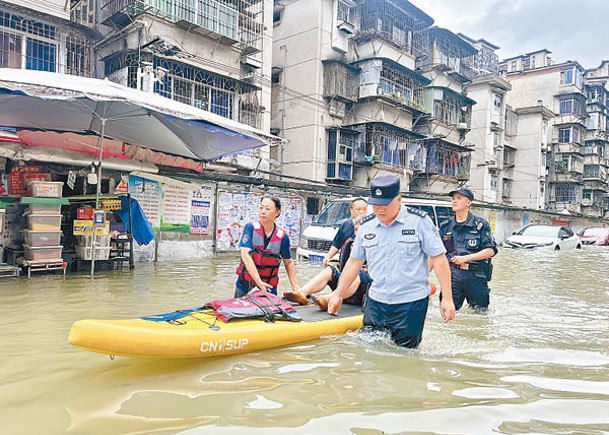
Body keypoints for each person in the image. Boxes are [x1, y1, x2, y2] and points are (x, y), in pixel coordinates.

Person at [328, 175, 455, 348]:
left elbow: (439, 260)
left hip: (410, 305)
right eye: (376, 205)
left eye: (385, 204)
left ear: (399, 200)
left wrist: (446, 298)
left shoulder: (419, 221)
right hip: (376, 302)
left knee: (404, 357)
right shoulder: (366, 226)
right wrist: (338, 294)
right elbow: (354, 262)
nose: (380, 210)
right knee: (369, 352)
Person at [284, 217, 372, 309]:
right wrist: (328, 257)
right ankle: (302, 293)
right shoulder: (351, 243)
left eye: (360, 230)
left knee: (359, 273)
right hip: (345, 287)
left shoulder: (375, 246)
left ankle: (328, 299)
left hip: (364, 290)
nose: (357, 233)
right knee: (330, 270)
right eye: (356, 230)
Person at [439, 187, 497, 310]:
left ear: (468, 202)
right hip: (453, 276)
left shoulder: (480, 225)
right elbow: (436, 253)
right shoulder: (445, 226)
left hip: (476, 275)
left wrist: (466, 258)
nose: (454, 201)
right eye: (453, 199)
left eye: (459, 198)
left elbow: (490, 251)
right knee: (448, 313)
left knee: (479, 315)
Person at [235, 196, 300, 298]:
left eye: (267, 209)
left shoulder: (283, 237)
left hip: (269, 287)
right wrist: (258, 282)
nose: (263, 211)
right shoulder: (250, 228)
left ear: (277, 213)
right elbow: (245, 255)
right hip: (245, 285)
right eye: (261, 208)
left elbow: (288, 262)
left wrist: (296, 289)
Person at [322, 197, 368, 268]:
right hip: (344, 265)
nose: (362, 212)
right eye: (358, 209)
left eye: (364, 209)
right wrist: (328, 257)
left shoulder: (371, 226)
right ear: (351, 210)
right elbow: (336, 244)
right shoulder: (346, 225)